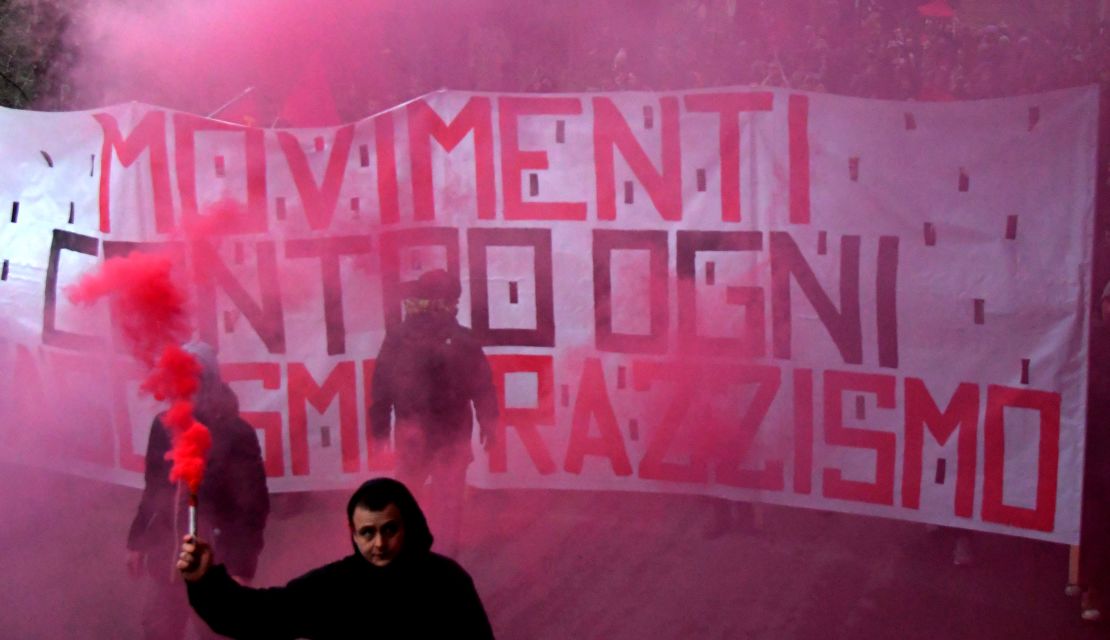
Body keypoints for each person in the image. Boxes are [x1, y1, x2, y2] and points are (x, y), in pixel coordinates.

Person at [177, 477, 495, 639]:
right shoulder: (337, 586)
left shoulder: (446, 582)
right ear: (353, 533)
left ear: (407, 525)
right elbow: (257, 615)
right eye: (368, 533)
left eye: (389, 529)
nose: (379, 543)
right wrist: (204, 581)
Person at [126, 341, 270, 640]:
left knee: (214, 631)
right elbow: (154, 488)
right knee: (157, 629)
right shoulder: (163, 427)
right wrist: (138, 541)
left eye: (194, 378)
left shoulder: (235, 434)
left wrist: (241, 567)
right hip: (166, 554)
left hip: (216, 561)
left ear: (211, 382)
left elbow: (252, 507)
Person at [369, 269, 499, 557]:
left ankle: (403, 555)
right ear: (449, 302)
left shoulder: (398, 338)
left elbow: (381, 389)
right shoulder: (463, 339)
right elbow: (483, 388)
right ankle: (444, 557)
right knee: (449, 500)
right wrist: (490, 425)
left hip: (412, 433)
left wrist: (378, 431)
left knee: (408, 494)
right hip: (452, 433)